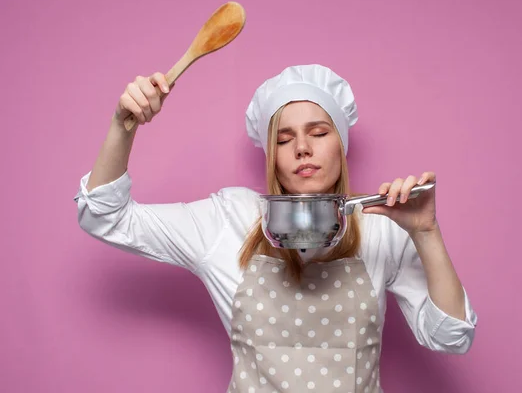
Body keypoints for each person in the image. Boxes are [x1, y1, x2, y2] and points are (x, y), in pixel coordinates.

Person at [75, 64, 477, 392]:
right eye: (284, 140)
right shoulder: (226, 219)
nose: (303, 148)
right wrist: (122, 126)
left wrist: (425, 231)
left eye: (319, 133)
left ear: (341, 143)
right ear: (271, 156)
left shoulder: (382, 226)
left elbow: (450, 337)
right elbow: (105, 216)